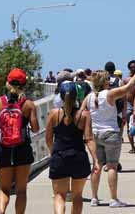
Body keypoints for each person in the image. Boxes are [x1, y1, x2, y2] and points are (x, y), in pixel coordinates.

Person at [82, 65, 135, 207]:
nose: (109, 81)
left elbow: (82, 112)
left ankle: (94, 198)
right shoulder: (109, 94)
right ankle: (113, 199)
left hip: (95, 134)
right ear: (104, 82)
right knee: (112, 166)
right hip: (111, 133)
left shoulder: (89, 97)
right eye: (107, 80)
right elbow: (128, 87)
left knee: (96, 165)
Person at [0, 68, 40, 214]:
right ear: (24, 85)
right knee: (21, 190)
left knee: (3, 189)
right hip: (22, 148)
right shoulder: (28, 104)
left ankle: (2, 211)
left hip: (4, 148)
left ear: (8, 83)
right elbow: (35, 128)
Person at [46, 82, 101, 214]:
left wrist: (53, 152)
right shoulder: (84, 115)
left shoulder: (54, 114)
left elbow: (48, 139)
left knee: (59, 195)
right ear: (76, 96)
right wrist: (96, 160)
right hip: (78, 158)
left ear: (60, 96)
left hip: (59, 157)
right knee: (77, 196)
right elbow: (89, 138)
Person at [124, 60, 135, 153]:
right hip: (129, 105)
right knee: (129, 127)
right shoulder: (126, 80)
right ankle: (132, 147)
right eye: (131, 67)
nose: (133, 69)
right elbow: (123, 93)